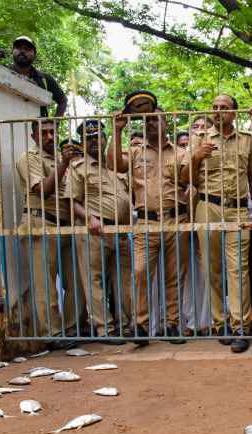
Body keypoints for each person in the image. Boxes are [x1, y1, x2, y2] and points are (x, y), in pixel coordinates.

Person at [109, 90, 189, 343]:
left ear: (166, 123)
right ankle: (141, 326)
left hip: (177, 219)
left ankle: (172, 324)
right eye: (147, 120)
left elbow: (191, 179)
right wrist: (118, 130)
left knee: (174, 275)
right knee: (141, 272)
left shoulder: (180, 152)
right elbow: (113, 165)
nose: (152, 123)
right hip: (145, 221)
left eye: (156, 119)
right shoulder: (134, 152)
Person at [182, 94, 252, 352]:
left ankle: (241, 326)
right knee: (211, 267)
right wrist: (196, 157)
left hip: (237, 210)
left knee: (238, 268)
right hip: (207, 207)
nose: (217, 111)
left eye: (223, 108)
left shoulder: (247, 140)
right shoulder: (198, 140)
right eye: (214, 108)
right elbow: (184, 178)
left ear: (234, 113)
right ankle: (218, 322)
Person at [69, 119, 133, 343]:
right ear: (83, 143)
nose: (95, 141)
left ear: (105, 139)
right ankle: (105, 329)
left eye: (99, 137)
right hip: (94, 230)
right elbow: (72, 201)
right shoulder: (78, 168)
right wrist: (90, 217)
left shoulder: (114, 166)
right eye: (89, 138)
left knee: (123, 279)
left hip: (120, 230)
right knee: (94, 279)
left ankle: (126, 325)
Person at [14, 120, 77, 349]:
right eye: (45, 133)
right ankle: (53, 333)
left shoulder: (60, 160)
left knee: (76, 281)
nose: (50, 136)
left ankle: (72, 329)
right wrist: (64, 164)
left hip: (66, 225)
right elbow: (42, 191)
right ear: (34, 136)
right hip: (41, 222)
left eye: (53, 132)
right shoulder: (29, 158)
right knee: (45, 283)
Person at [10, 36, 67, 118]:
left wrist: (55, 123)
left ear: (35, 55)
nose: (22, 51)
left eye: (27, 49)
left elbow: (63, 100)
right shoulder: (1, 72)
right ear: (12, 51)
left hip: (38, 130)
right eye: (18, 48)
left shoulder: (45, 79)